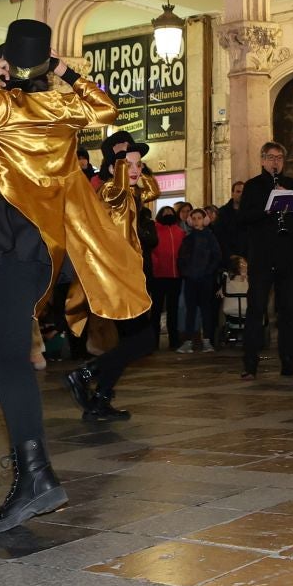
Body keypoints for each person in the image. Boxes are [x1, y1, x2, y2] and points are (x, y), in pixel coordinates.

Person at [0, 20, 148, 530]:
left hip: (15, 249)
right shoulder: (60, 107)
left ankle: (36, 476)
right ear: (45, 65)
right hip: (28, 250)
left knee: (8, 357)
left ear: (7, 63)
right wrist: (65, 72)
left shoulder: (1, 106)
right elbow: (106, 108)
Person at [63, 131, 162, 420]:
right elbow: (117, 190)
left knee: (131, 342)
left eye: (139, 165)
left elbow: (153, 190)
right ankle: (85, 374)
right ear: (111, 167)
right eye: (127, 165)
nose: (135, 170)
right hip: (116, 277)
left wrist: (133, 164)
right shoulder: (108, 191)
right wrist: (121, 162)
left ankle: (99, 400)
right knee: (144, 340)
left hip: (127, 274)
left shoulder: (132, 191)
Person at [237, 142, 293, 379]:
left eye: (279, 158)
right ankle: (250, 365)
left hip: (287, 257)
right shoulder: (253, 186)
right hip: (262, 258)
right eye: (271, 157)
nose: (275, 162)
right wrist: (268, 207)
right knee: (256, 310)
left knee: (288, 312)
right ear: (262, 160)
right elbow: (244, 217)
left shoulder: (292, 185)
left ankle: (289, 362)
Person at [178, 207, 222, 350]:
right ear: (190, 220)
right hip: (191, 279)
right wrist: (186, 272)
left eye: (199, 218)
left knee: (206, 309)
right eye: (194, 218)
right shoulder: (188, 238)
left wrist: (208, 272)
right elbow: (181, 259)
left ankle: (207, 340)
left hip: (205, 279)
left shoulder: (211, 237)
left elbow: (216, 257)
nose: (197, 221)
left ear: (205, 220)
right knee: (190, 310)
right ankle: (188, 341)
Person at [151, 205, 185, 350]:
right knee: (156, 311)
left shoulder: (180, 231)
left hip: (175, 276)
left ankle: (174, 341)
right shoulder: (155, 229)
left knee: (173, 311)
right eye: (164, 212)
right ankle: (152, 343)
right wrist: (155, 264)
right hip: (158, 276)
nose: (167, 214)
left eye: (170, 212)